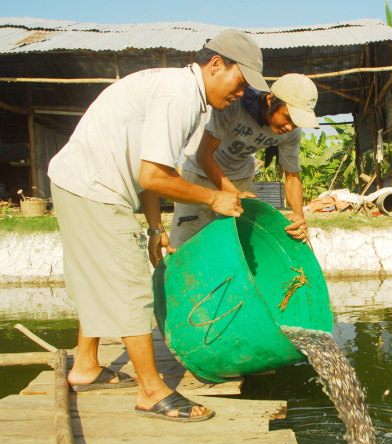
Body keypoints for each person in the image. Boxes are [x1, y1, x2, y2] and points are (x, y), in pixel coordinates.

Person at [47, 29, 269, 422]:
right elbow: (152, 177)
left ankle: (84, 366)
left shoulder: (179, 90)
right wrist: (214, 197)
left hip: (77, 180)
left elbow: (150, 169)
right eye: (240, 81)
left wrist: (154, 227)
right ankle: (151, 391)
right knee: (133, 287)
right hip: (94, 187)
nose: (241, 93)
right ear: (216, 64)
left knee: (97, 278)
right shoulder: (181, 97)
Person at [169, 73, 319, 248]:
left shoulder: (291, 131)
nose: (289, 127)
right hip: (200, 173)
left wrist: (299, 215)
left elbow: (292, 176)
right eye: (287, 118)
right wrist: (233, 195)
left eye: (295, 122)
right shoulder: (234, 104)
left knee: (247, 244)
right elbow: (204, 156)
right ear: (270, 99)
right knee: (188, 244)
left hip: (240, 178)